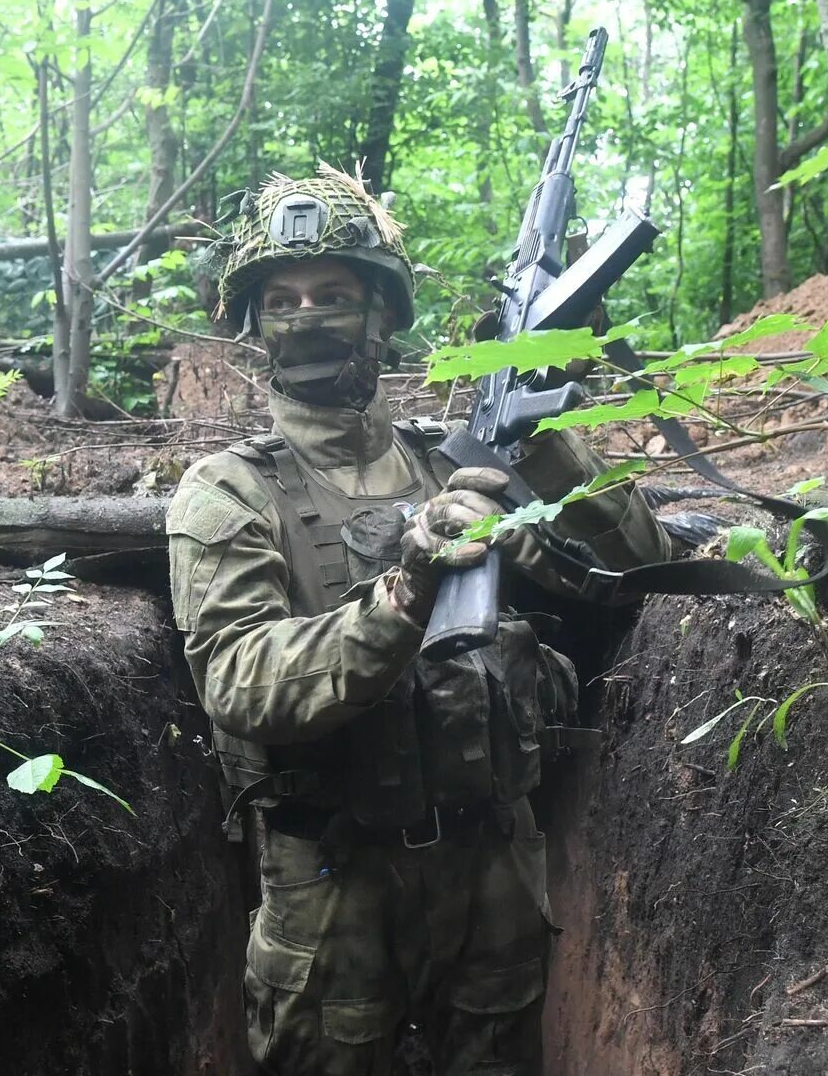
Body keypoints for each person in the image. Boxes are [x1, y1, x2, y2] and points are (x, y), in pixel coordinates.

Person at [166, 164, 669, 1075]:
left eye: (335, 292)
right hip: (329, 887)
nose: (309, 315)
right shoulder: (227, 492)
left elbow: (636, 567)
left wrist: (543, 423)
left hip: (492, 870)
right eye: (283, 299)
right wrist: (403, 590)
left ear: (383, 313)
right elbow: (240, 680)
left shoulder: (461, 459)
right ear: (255, 327)